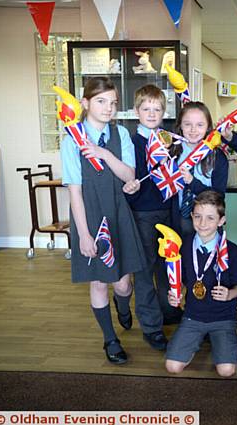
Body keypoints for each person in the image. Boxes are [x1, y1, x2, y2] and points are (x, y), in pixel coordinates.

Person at [61, 76, 146, 364]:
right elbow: (75, 192)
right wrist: (83, 235)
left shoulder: (120, 134)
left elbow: (128, 175)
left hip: (119, 214)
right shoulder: (71, 140)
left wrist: (103, 154)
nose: (108, 108)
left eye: (113, 103)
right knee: (98, 282)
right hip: (90, 215)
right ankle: (110, 339)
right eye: (101, 101)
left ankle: (123, 305)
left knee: (122, 283)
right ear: (85, 103)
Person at [165, 191, 237, 377]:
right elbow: (182, 281)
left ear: (221, 220)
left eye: (210, 218)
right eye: (198, 217)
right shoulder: (183, 248)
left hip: (223, 318)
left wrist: (229, 294)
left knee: (226, 371)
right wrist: (176, 294)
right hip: (193, 316)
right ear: (191, 216)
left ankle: (216, 341)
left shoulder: (232, 251)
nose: (203, 224)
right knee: (172, 367)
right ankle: (196, 341)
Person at [121, 85, 171, 349]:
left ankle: (167, 310)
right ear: (136, 111)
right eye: (146, 108)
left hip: (168, 210)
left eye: (157, 109)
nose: (152, 113)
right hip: (142, 213)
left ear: (164, 112)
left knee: (166, 267)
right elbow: (123, 177)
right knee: (144, 270)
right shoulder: (131, 142)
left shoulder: (167, 139)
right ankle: (151, 325)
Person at [170, 102, 228, 235]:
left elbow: (218, 197)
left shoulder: (217, 157)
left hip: (207, 223)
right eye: (187, 124)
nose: (193, 130)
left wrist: (192, 182)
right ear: (180, 126)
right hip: (177, 219)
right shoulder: (172, 152)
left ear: (208, 127)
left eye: (200, 125)